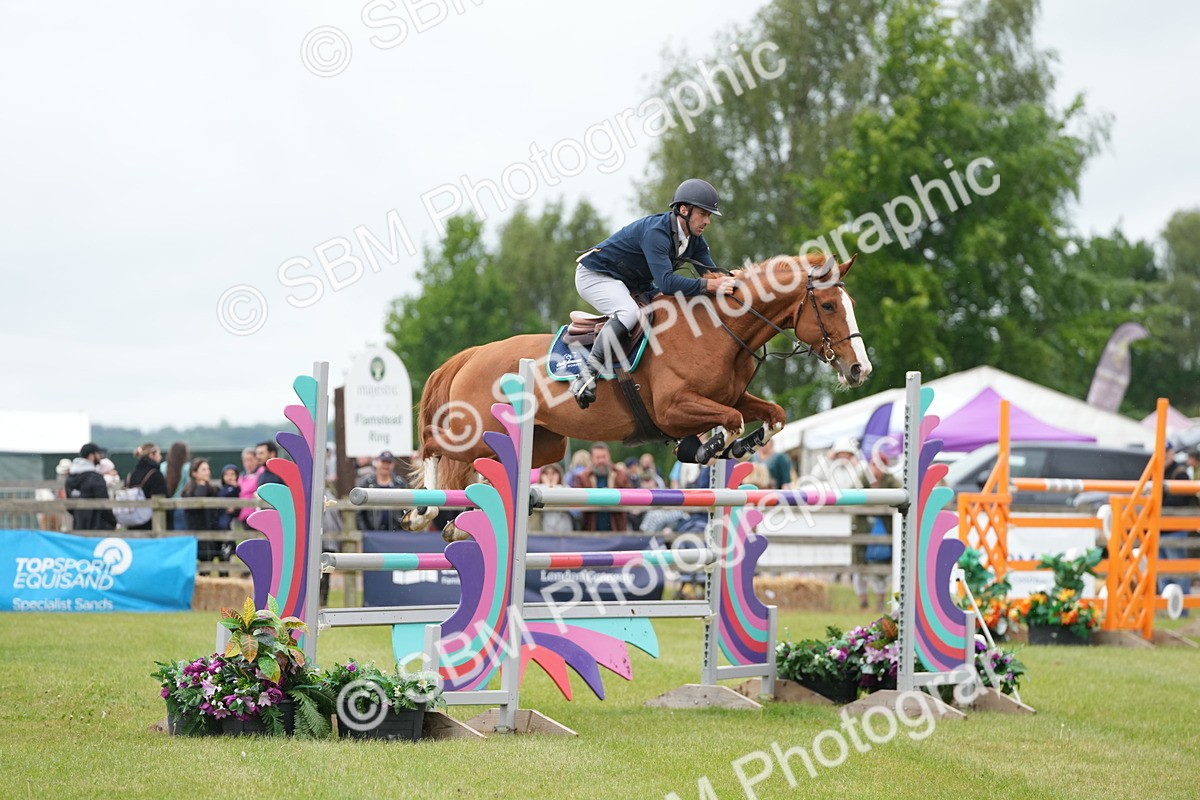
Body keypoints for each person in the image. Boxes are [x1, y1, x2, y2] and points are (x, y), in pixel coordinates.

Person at [569, 178, 739, 408]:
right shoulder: (656, 233)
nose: (707, 221)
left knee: (666, 308)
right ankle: (587, 375)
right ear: (683, 210)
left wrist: (734, 279)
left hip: (631, 283)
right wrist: (710, 286)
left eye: (709, 216)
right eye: (703, 214)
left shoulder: (694, 240)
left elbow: (711, 274)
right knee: (628, 313)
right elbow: (668, 283)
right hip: (595, 275)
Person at [852, 452, 902, 612]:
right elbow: (852, 496)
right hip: (863, 528)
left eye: (879, 464)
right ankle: (863, 603)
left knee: (882, 568)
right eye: (873, 464)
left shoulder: (891, 481)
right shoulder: (861, 479)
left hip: (884, 529)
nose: (876, 469)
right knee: (859, 565)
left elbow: (899, 498)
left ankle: (880, 603)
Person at [1160, 441, 1195, 598]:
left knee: (1178, 570)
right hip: (1159, 528)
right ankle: (1164, 605)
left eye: (1166, 451)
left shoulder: (1179, 473)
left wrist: (1158, 502)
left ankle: (1182, 606)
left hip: (1175, 528)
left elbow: (1179, 502)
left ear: (1172, 452)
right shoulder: (1157, 471)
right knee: (1161, 571)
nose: (1164, 454)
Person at [574, 443, 634, 532]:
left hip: (617, 529)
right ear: (591, 459)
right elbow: (577, 502)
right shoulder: (583, 477)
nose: (601, 461)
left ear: (609, 457)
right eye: (598, 457)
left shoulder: (621, 475)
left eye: (604, 457)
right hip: (591, 530)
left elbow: (630, 497)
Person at [65, 443, 115, 530]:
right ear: (91, 456)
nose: (100, 457)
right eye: (98, 454)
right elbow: (104, 504)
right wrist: (113, 521)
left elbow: (70, 506)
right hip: (97, 527)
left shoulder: (70, 479)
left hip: (78, 525)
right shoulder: (96, 478)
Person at [355, 451, 409, 532]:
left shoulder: (400, 484)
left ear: (393, 464)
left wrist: (403, 531)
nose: (386, 465)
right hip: (372, 534)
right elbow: (359, 513)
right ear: (377, 462)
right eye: (383, 462)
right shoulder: (366, 483)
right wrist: (365, 533)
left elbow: (406, 510)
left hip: (396, 533)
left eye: (389, 462)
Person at [125, 442, 169, 530]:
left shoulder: (131, 474)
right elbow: (163, 496)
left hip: (133, 520)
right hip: (152, 522)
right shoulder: (155, 474)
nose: (160, 457)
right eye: (158, 454)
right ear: (151, 455)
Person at [531, 463, 575, 534]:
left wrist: (554, 487)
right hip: (545, 523)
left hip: (563, 522)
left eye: (553, 473)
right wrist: (547, 485)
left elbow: (570, 497)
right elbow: (532, 491)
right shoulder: (537, 487)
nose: (550, 477)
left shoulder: (565, 487)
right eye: (547, 474)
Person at [161, 441, 190, 531]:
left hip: (166, 506)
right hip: (182, 506)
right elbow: (189, 487)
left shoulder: (163, 466)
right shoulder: (187, 467)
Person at [235, 447, 261, 528]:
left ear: (256, 460)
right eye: (245, 460)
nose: (248, 463)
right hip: (243, 516)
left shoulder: (261, 473)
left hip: (256, 515)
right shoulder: (241, 476)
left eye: (250, 460)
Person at [215, 464, 241, 532]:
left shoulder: (236, 488)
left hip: (228, 513)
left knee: (224, 525)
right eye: (226, 474)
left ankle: (229, 542)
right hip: (220, 512)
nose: (230, 477)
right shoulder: (222, 489)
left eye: (232, 474)